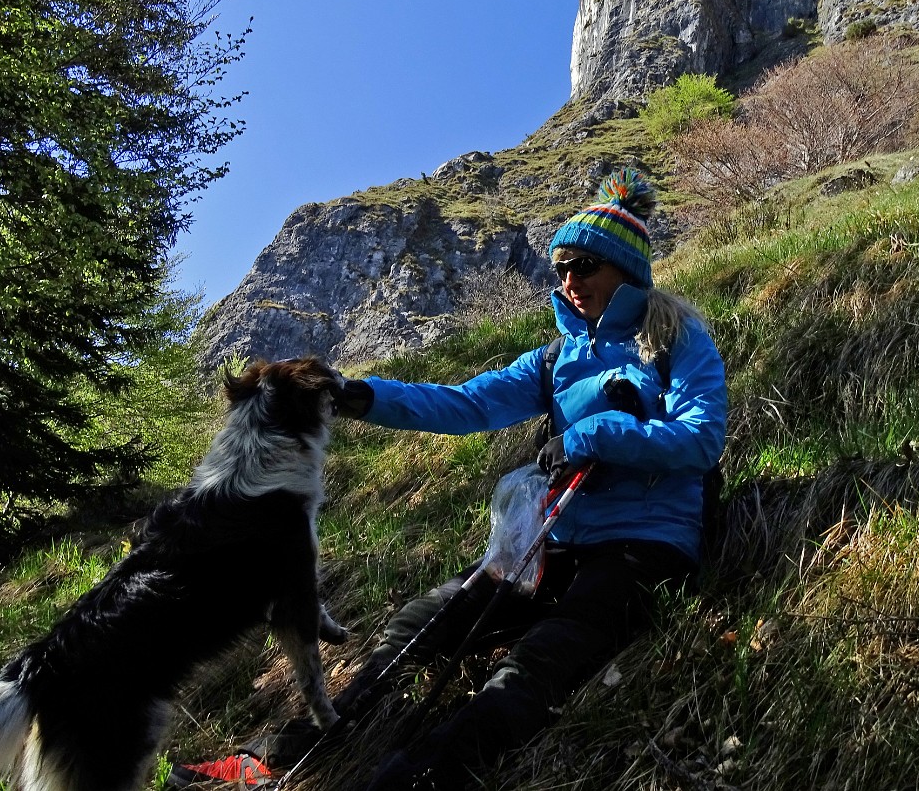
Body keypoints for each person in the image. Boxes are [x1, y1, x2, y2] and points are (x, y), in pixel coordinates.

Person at [168, 168, 727, 790]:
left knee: (538, 661)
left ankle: (415, 780)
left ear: (626, 270)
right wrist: (362, 396)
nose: (570, 283)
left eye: (585, 266)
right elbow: (464, 404)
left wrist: (590, 435)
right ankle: (278, 754)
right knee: (422, 621)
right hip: (556, 544)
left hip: (645, 545)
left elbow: (701, 441)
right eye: (561, 267)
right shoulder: (555, 358)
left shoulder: (678, 340)